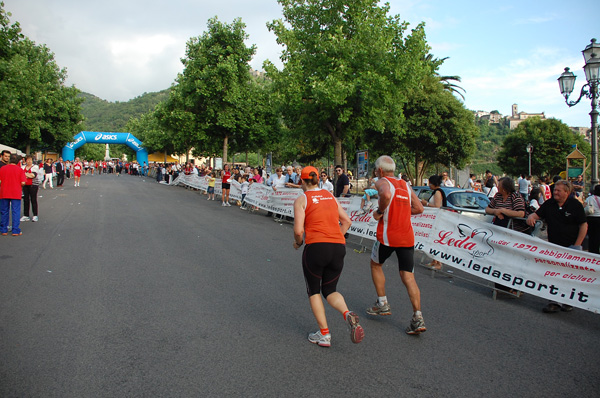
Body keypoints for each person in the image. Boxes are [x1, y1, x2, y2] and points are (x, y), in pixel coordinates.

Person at [292, 165, 364, 347]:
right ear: (318, 179)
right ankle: (347, 313)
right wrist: (336, 237)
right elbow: (347, 221)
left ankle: (324, 334)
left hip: (316, 247)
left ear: (302, 181)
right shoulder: (330, 196)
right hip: (338, 246)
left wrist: (298, 243)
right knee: (330, 290)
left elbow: (299, 230)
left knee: (314, 290)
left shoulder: (302, 199)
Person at [366, 155, 427, 335]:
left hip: (387, 236)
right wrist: (400, 211)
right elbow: (419, 209)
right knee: (408, 277)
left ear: (380, 170)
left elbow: (385, 194)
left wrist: (380, 211)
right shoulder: (405, 184)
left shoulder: (382, 181)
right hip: (406, 236)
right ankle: (418, 316)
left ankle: (382, 303)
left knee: (375, 264)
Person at [527, 180, 587, 313]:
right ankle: (554, 302)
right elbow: (536, 214)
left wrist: (577, 245)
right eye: (554, 190)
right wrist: (531, 216)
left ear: (567, 192)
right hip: (554, 248)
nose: (555, 192)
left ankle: (568, 301)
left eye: (558, 191)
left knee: (569, 276)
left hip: (571, 246)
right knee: (554, 274)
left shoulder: (575, 205)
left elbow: (583, 225)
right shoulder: (549, 204)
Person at [486, 177, 528, 294]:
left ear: (505, 188)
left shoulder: (516, 197)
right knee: (498, 259)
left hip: (514, 233)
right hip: (500, 232)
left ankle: (515, 287)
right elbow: (487, 209)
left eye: (499, 185)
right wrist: (495, 211)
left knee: (512, 261)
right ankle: (500, 286)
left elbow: (520, 213)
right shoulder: (498, 196)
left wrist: (503, 211)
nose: (497, 187)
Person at [420, 175, 447, 270]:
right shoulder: (436, 192)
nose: (429, 185)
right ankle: (434, 260)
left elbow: (437, 206)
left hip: (438, 220)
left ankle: (438, 262)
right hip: (434, 219)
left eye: (430, 183)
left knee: (437, 241)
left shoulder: (438, 193)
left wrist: (426, 204)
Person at [0, 154, 26, 236]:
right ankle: (15, 230)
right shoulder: (20, 170)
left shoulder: (2, 169)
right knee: (15, 211)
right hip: (15, 192)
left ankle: (4, 229)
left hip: (4, 191)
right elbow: (23, 182)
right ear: (18, 161)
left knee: (4, 211)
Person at [21, 156, 40, 222]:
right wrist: (27, 174)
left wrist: (24, 174)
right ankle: (26, 215)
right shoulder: (23, 167)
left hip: (33, 185)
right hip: (25, 185)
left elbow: (33, 175)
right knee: (25, 200)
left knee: (33, 199)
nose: (29, 161)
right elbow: (20, 175)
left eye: (30, 160)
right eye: (28, 160)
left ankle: (35, 215)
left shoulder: (35, 167)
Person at [584, 185, 600, 254]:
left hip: (591, 218)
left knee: (592, 236)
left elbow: (584, 206)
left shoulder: (590, 198)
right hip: (599, 217)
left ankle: (592, 251)